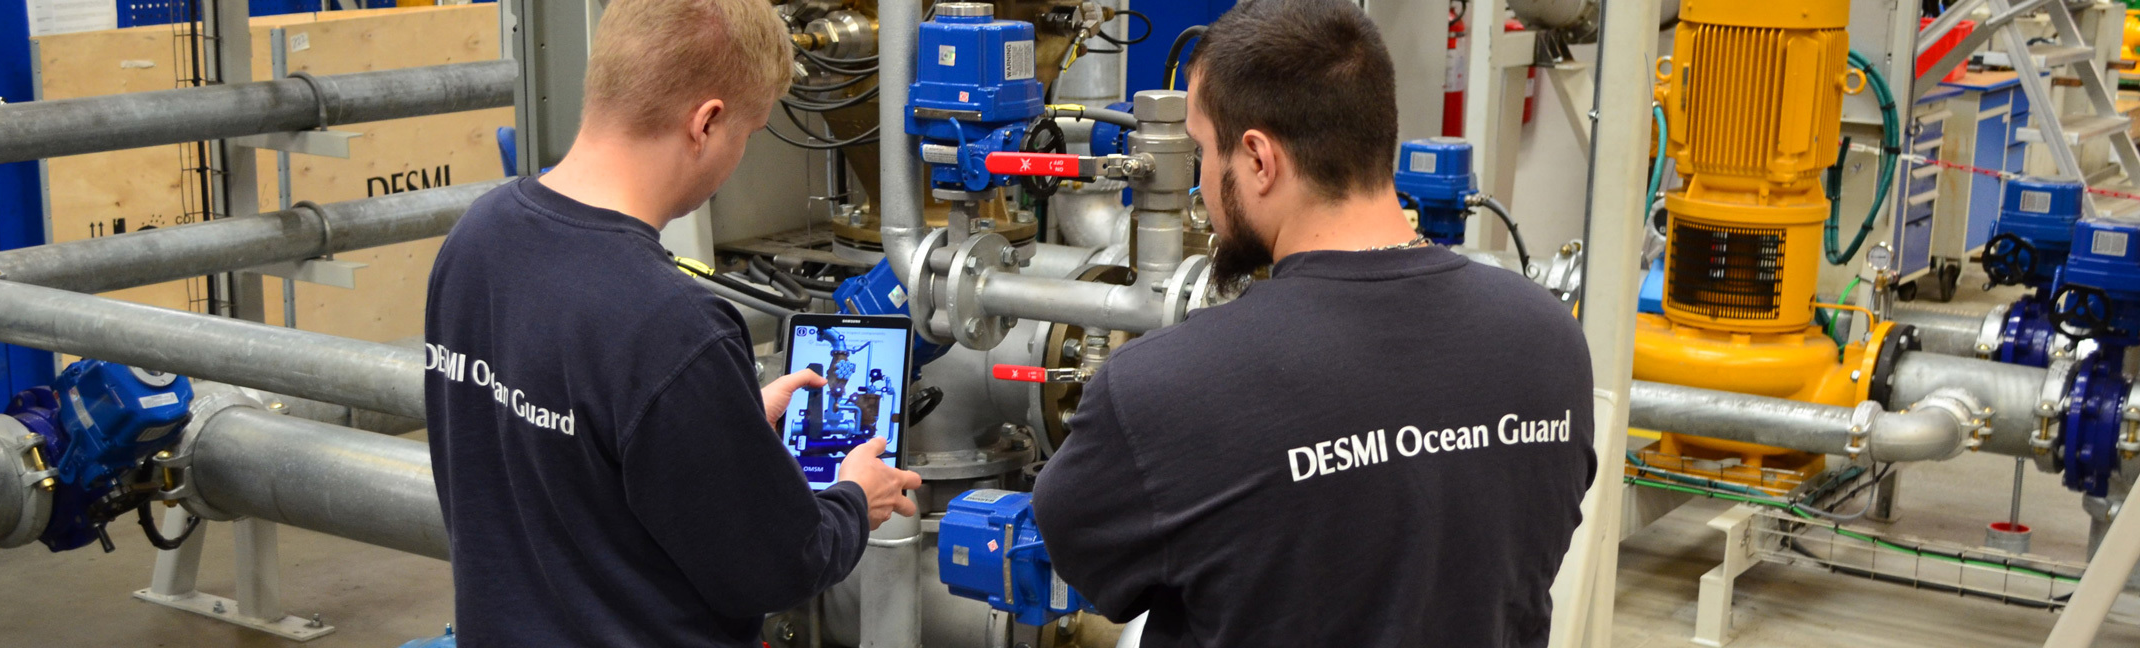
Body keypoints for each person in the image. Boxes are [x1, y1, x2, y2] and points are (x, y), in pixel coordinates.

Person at [1029, 1, 1597, 646]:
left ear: (1259, 160)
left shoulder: (1164, 390)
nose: (1202, 185)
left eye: (1203, 153)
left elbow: (1093, 573)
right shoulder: (1550, 339)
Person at [421, 0, 921, 645]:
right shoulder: (674, 325)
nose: (739, 153)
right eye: (749, 132)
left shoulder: (477, 237)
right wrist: (855, 499)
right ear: (706, 123)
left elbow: (559, 451)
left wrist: (719, 419)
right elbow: (775, 569)